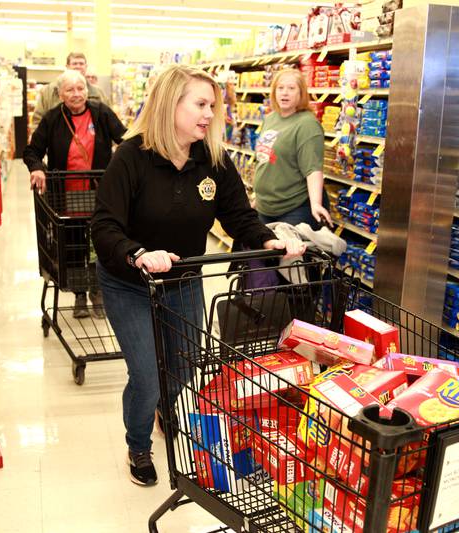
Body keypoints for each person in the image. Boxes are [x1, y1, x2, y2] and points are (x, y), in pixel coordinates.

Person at [91, 65, 306, 487]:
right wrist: (138, 253)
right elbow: (104, 226)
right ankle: (138, 444)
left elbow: (238, 215)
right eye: (200, 104)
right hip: (130, 282)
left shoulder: (213, 160)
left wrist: (267, 238)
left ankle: (162, 409)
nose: (209, 113)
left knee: (183, 366)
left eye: (213, 105)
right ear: (171, 104)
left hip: (184, 280)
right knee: (147, 374)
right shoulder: (131, 157)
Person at [24, 69, 126, 318]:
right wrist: (37, 169)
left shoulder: (101, 113)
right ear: (60, 94)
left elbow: (125, 140)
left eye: (80, 88)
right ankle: (80, 294)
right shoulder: (52, 119)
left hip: (99, 194)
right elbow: (32, 151)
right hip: (65, 196)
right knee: (73, 247)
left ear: (87, 91)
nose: (76, 94)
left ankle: (98, 291)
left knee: (99, 244)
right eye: (69, 90)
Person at [253, 68, 333, 230]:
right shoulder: (270, 118)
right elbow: (263, 159)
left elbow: (313, 169)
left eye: (291, 88)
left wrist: (316, 204)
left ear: (301, 93)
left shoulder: (307, 124)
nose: (285, 93)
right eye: (280, 88)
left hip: (294, 206)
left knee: (284, 252)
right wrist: (258, 198)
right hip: (265, 207)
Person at [31, 52, 109, 130]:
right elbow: (38, 120)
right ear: (67, 66)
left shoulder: (98, 93)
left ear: (86, 67)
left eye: (81, 64)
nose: (78, 66)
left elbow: (108, 121)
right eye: (74, 63)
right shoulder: (48, 91)